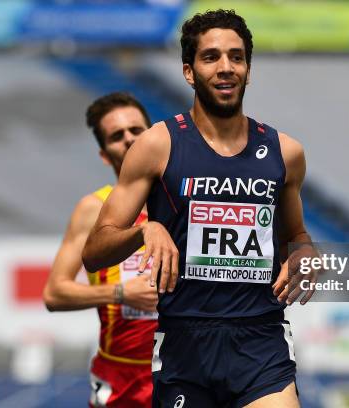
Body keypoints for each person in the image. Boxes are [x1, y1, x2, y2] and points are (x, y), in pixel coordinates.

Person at [82, 10, 316, 408]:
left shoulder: (285, 153)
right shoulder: (157, 146)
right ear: (189, 72)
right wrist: (144, 231)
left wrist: (306, 255)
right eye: (211, 57)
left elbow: (296, 235)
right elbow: (93, 252)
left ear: (248, 69)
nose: (226, 68)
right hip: (185, 347)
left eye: (236, 57)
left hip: (261, 342)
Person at [43, 92, 158, 408]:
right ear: (105, 155)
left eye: (137, 130)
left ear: (154, 136)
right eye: (117, 136)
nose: (129, 139)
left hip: (189, 366)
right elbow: (54, 294)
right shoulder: (93, 209)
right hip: (123, 375)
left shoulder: (188, 199)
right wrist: (122, 293)